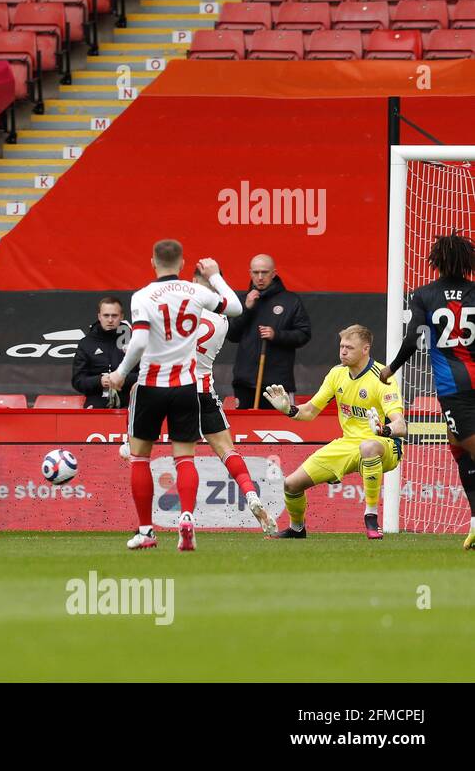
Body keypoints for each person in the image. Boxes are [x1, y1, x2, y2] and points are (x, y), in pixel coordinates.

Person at [108, 240, 242, 551]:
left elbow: (139, 341)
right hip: (185, 386)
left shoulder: (143, 296)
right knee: (184, 458)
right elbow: (234, 308)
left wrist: (119, 373)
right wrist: (217, 275)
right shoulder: (195, 291)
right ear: (182, 264)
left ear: (152, 262)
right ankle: (186, 518)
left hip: (151, 384)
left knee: (141, 458)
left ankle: (146, 531)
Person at [380, 232, 475, 550]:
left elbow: (413, 340)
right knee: (459, 450)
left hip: (454, 388)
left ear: (437, 260)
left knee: (468, 449)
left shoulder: (425, 295)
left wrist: (391, 368)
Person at [265, 325, 405, 540]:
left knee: (367, 446)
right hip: (348, 444)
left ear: (365, 349)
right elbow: (310, 412)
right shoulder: (336, 373)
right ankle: (297, 528)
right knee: (291, 484)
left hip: (383, 445)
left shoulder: (382, 377)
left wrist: (383, 429)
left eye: (349, 347)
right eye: (341, 346)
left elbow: (401, 426)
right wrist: (288, 409)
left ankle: (371, 517)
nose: (343, 352)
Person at [189, 267, 275, 535]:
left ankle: (183, 517)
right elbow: (233, 308)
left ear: (192, 284)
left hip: (174, 388)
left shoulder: (179, 315)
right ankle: (251, 493)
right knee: (227, 451)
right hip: (203, 392)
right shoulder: (222, 321)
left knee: (180, 455)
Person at [227, 254, 312, 409]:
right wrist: (247, 309)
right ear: (250, 273)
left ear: (273, 273)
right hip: (244, 382)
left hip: (278, 384)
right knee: (246, 428)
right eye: (256, 272)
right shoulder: (242, 300)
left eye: (265, 272)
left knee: (278, 425)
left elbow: (304, 334)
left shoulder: (290, 300)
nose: (260, 277)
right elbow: (231, 334)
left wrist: (277, 335)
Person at [71, 297, 133, 408]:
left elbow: (146, 374)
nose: (110, 320)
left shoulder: (133, 341)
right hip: (96, 405)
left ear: (122, 317)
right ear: (99, 316)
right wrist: (99, 381)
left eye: (114, 315)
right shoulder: (86, 343)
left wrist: (122, 378)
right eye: (106, 315)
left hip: (129, 404)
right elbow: (78, 381)